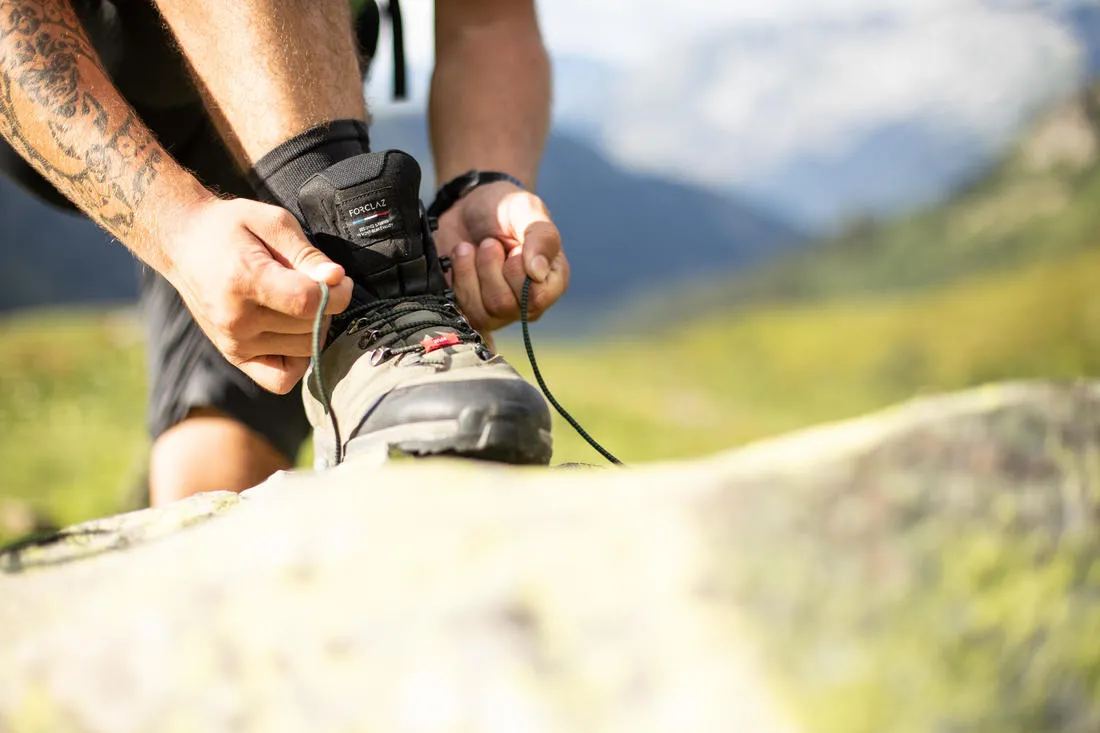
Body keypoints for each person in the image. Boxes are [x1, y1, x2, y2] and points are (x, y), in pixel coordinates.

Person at [0, 0, 569, 506]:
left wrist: (478, 185)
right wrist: (174, 226)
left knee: (227, 444)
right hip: (75, 64)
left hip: (291, 79)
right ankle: (372, 318)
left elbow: (489, 18)